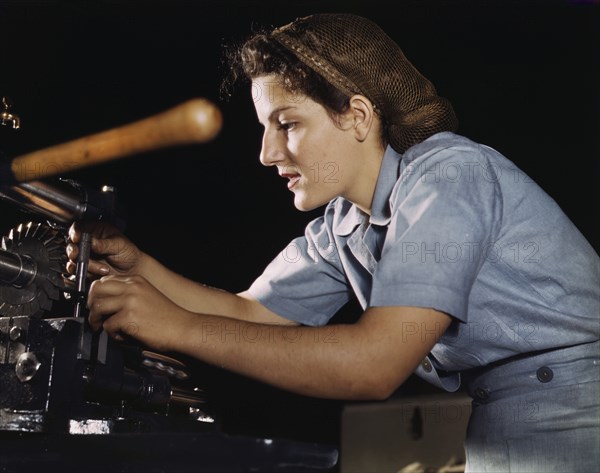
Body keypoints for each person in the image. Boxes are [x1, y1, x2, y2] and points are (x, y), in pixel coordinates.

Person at [67, 13, 599, 473]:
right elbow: (248, 314)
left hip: (577, 417)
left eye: (287, 124)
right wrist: (139, 269)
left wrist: (178, 328)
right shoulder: (346, 225)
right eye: (264, 128)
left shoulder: (450, 177)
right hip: (499, 421)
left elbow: (373, 365)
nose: (267, 153)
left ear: (358, 116)